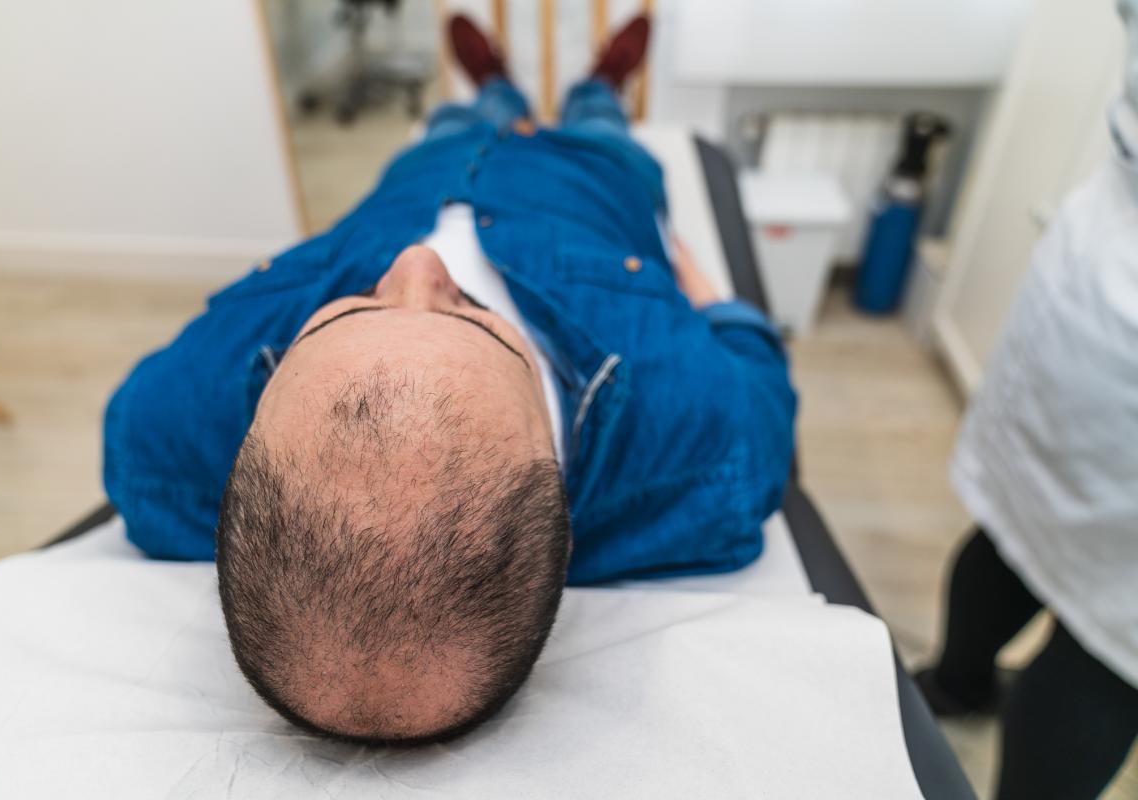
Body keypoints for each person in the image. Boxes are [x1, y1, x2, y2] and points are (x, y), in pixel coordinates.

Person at [103, 14, 795, 746]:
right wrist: (695, 278)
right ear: (554, 477)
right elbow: (756, 364)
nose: (417, 265)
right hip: (589, 180)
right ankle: (602, 86)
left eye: (352, 312)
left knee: (461, 116)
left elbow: (138, 427)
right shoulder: (707, 450)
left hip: (424, 175)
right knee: (599, 123)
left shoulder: (161, 448)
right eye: (470, 314)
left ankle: (493, 88)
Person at [916, 2, 1138, 796]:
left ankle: (954, 684)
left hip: (1101, 280)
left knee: (1020, 528)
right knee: (1115, 654)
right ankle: (957, 684)